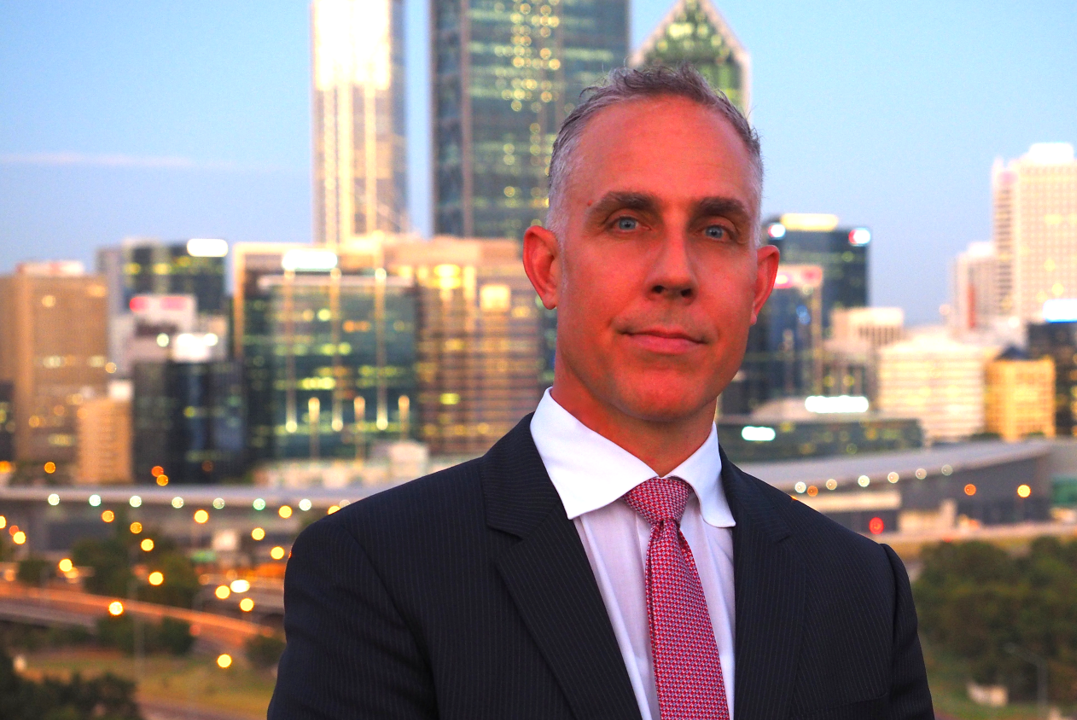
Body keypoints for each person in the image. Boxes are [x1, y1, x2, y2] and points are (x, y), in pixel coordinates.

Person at [269, 65, 934, 720]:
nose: (675, 272)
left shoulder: (860, 589)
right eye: (627, 223)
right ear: (548, 267)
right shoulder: (376, 570)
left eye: (715, 231)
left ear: (758, 287)